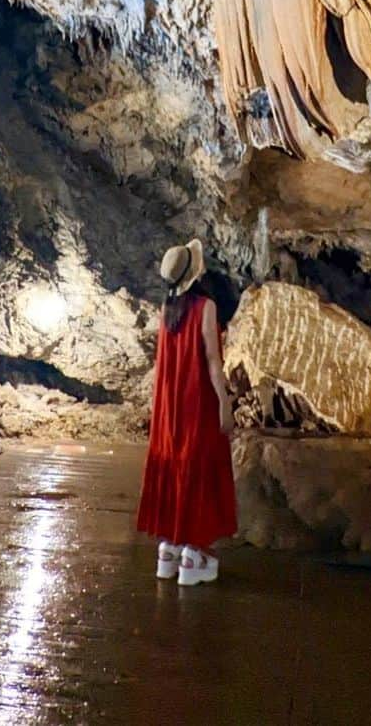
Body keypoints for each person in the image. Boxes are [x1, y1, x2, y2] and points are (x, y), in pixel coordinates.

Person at [136, 238, 238, 586]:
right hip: (197, 401)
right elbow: (212, 360)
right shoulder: (205, 307)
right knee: (200, 468)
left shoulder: (166, 310)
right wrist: (224, 402)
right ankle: (195, 553)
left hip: (170, 404)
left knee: (174, 465)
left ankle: (168, 549)